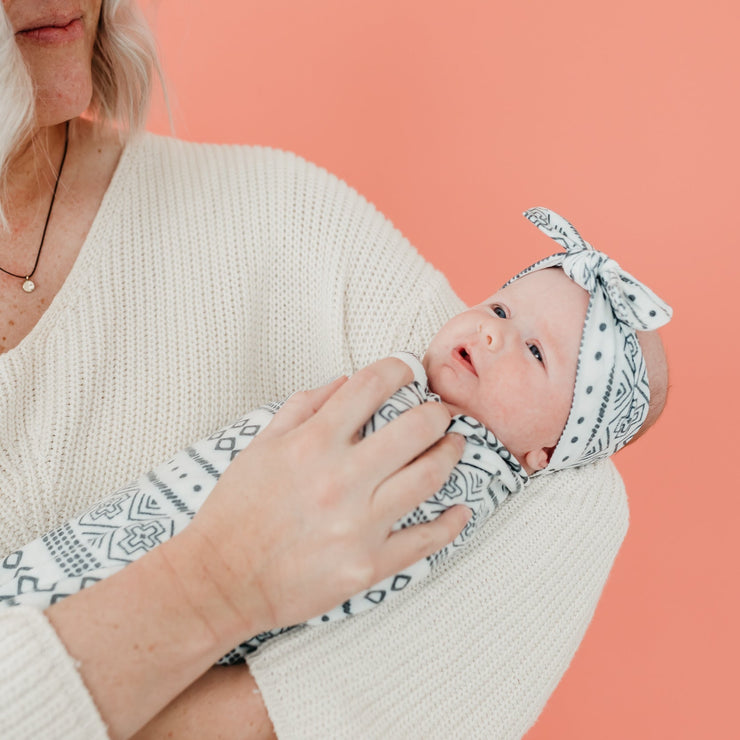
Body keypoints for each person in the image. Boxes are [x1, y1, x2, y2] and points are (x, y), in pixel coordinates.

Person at [0, 2, 652, 738]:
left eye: (523, 338)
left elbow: (578, 493)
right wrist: (213, 584)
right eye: (499, 315)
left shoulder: (287, 222)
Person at [0, 208, 671, 663]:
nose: (491, 330)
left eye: (533, 352)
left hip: (194, 604)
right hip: (155, 520)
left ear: (546, 452)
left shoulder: (469, 475)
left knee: (60, 644)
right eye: (499, 307)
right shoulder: (409, 380)